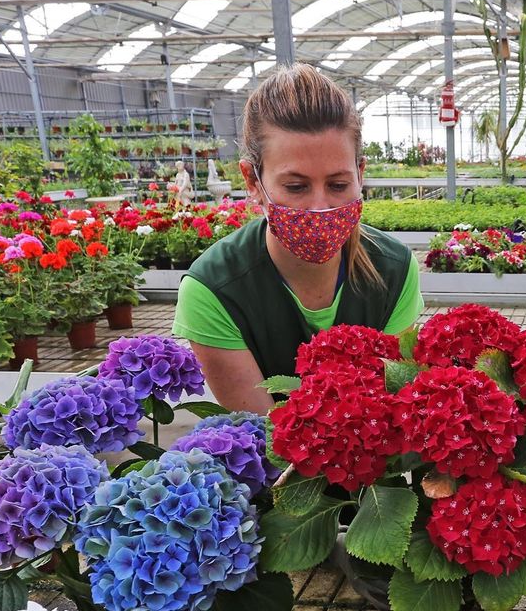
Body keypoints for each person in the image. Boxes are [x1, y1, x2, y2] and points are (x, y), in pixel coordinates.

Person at [171, 65, 423, 413]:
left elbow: (396, 409)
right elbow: (266, 441)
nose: (319, 206)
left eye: (338, 185)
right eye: (296, 186)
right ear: (252, 180)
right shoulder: (214, 289)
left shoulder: (393, 269)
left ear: (360, 174)